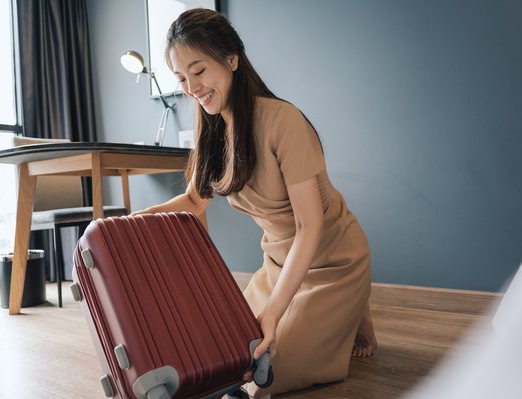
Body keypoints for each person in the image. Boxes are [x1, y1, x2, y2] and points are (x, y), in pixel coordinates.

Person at [131, 8, 377, 398]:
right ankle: (338, 321)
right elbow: (194, 201)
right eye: (181, 78)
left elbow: (310, 227)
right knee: (229, 354)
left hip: (331, 260)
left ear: (231, 59)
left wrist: (275, 311)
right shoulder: (213, 132)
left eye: (199, 71)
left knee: (264, 369)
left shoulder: (283, 120)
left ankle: (350, 306)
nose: (192, 87)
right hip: (279, 264)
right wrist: (134, 221)